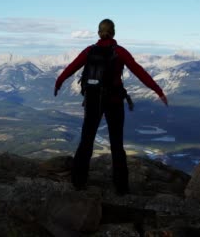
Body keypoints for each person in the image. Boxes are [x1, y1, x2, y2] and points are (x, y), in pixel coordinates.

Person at [54, 19, 168, 195]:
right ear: (113, 32)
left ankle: (78, 181)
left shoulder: (89, 51)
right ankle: (121, 187)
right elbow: (139, 71)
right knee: (116, 143)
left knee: (87, 139)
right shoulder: (119, 52)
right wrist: (158, 90)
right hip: (114, 101)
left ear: (98, 32)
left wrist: (59, 82)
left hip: (92, 101)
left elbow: (72, 67)